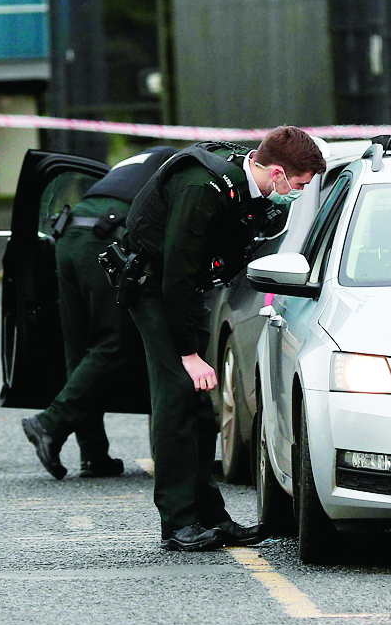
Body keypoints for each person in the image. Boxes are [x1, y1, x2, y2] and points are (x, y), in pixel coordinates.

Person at [126, 126, 325, 552]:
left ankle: (211, 516)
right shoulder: (202, 188)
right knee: (179, 397)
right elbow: (175, 275)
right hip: (153, 288)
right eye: (300, 185)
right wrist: (189, 353)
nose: (299, 194)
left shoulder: (249, 189)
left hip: (183, 290)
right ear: (276, 172)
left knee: (201, 407)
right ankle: (178, 524)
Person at [21, 145, 175, 480]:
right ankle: (48, 423)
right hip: (105, 240)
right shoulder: (185, 169)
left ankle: (93, 455)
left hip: (68, 236)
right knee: (115, 343)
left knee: (80, 351)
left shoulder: (144, 159)